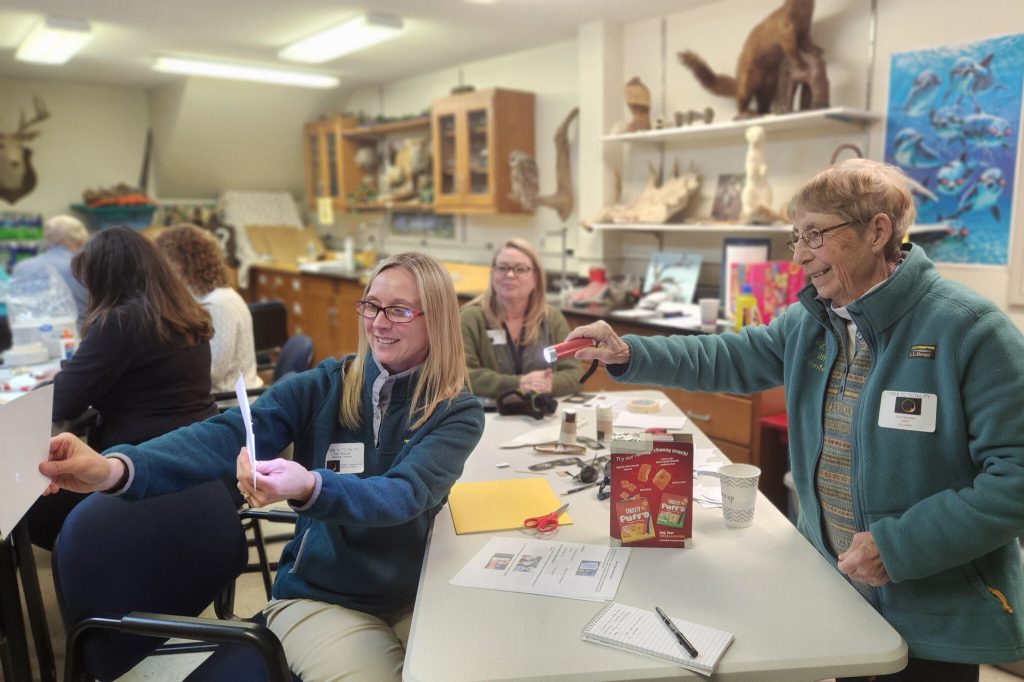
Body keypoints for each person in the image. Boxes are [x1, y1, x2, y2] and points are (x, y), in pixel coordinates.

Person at [566, 159, 1024, 681]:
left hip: (934, 607)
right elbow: (730, 357)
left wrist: (900, 547)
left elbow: (1016, 480)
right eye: (796, 237)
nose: (801, 254)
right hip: (836, 585)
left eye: (816, 234)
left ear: (877, 231)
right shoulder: (813, 319)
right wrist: (627, 353)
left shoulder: (971, 330)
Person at [39, 252, 485, 681]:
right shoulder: (325, 386)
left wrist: (311, 485)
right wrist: (114, 468)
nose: (379, 322)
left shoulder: (455, 412)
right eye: (371, 305)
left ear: (438, 320)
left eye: (400, 310)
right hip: (321, 599)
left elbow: (402, 495)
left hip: (415, 592)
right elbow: (223, 434)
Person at [26, 226, 220, 550]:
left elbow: (61, 403)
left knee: (19, 499)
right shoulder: (183, 314)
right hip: (197, 464)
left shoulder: (121, 322)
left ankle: (94, 569)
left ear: (105, 278)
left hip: (139, 470)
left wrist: (41, 387)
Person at [460, 239, 581, 398]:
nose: (510, 275)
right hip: (487, 416)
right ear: (492, 274)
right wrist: (519, 383)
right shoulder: (470, 318)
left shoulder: (552, 318)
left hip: (539, 416)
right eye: (502, 268)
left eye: (520, 269)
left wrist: (546, 384)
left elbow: (575, 374)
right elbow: (461, 376)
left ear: (536, 279)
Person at [154, 223, 262, 393]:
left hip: (230, 402)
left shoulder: (218, 304)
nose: (163, 273)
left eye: (167, 264)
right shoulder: (210, 297)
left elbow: (212, 372)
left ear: (184, 263)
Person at [12, 214, 89, 327]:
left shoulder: (21, 268)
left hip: (31, 339)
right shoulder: (83, 266)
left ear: (46, 239)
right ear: (79, 241)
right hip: (73, 337)